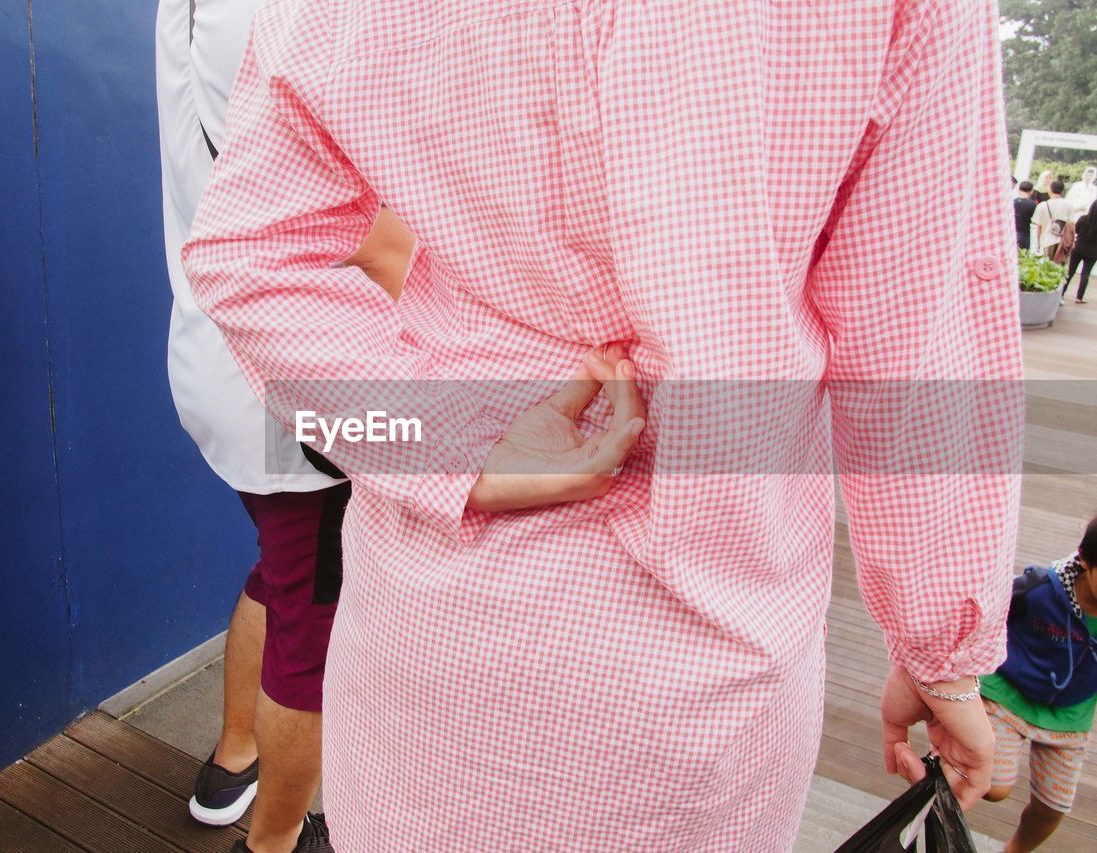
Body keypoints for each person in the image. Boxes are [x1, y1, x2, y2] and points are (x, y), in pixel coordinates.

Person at [183, 1, 1022, 848]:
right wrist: (942, 650)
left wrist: (447, 444)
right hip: (707, 662)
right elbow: (923, 328)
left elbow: (251, 252)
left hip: (433, 638)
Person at [155, 2, 413, 852]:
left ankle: (235, 761)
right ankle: (273, 841)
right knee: (315, 630)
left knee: (284, 571)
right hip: (297, 378)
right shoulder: (290, 16)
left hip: (216, 356)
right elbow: (371, 234)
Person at [981, 517, 1097, 853]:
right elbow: (989, 614)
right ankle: (950, 750)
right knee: (994, 787)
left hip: (1069, 712)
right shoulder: (1038, 587)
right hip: (1007, 691)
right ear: (1086, 562)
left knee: (1052, 808)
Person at [1061, 199, 1097, 304]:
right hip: (1093, 251)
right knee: (1086, 273)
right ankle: (1079, 297)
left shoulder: (1083, 218)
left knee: (1070, 271)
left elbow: (1075, 231)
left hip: (1078, 248)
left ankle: (1062, 293)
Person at [1032, 180, 1073, 261]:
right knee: (1058, 266)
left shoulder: (1042, 205)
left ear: (1049, 190)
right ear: (1062, 191)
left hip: (1046, 240)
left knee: (1047, 265)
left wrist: (1038, 242)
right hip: (1062, 241)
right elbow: (1071, 224)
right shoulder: (1069, 205)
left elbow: (1039, 226)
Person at [1014, 181, 1037, 251]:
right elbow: (1034, 220)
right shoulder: (1032, 204)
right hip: (1024, 234)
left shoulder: (1012, 202)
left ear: (1019, 189)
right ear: (1031, 191)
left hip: (1012, 233)